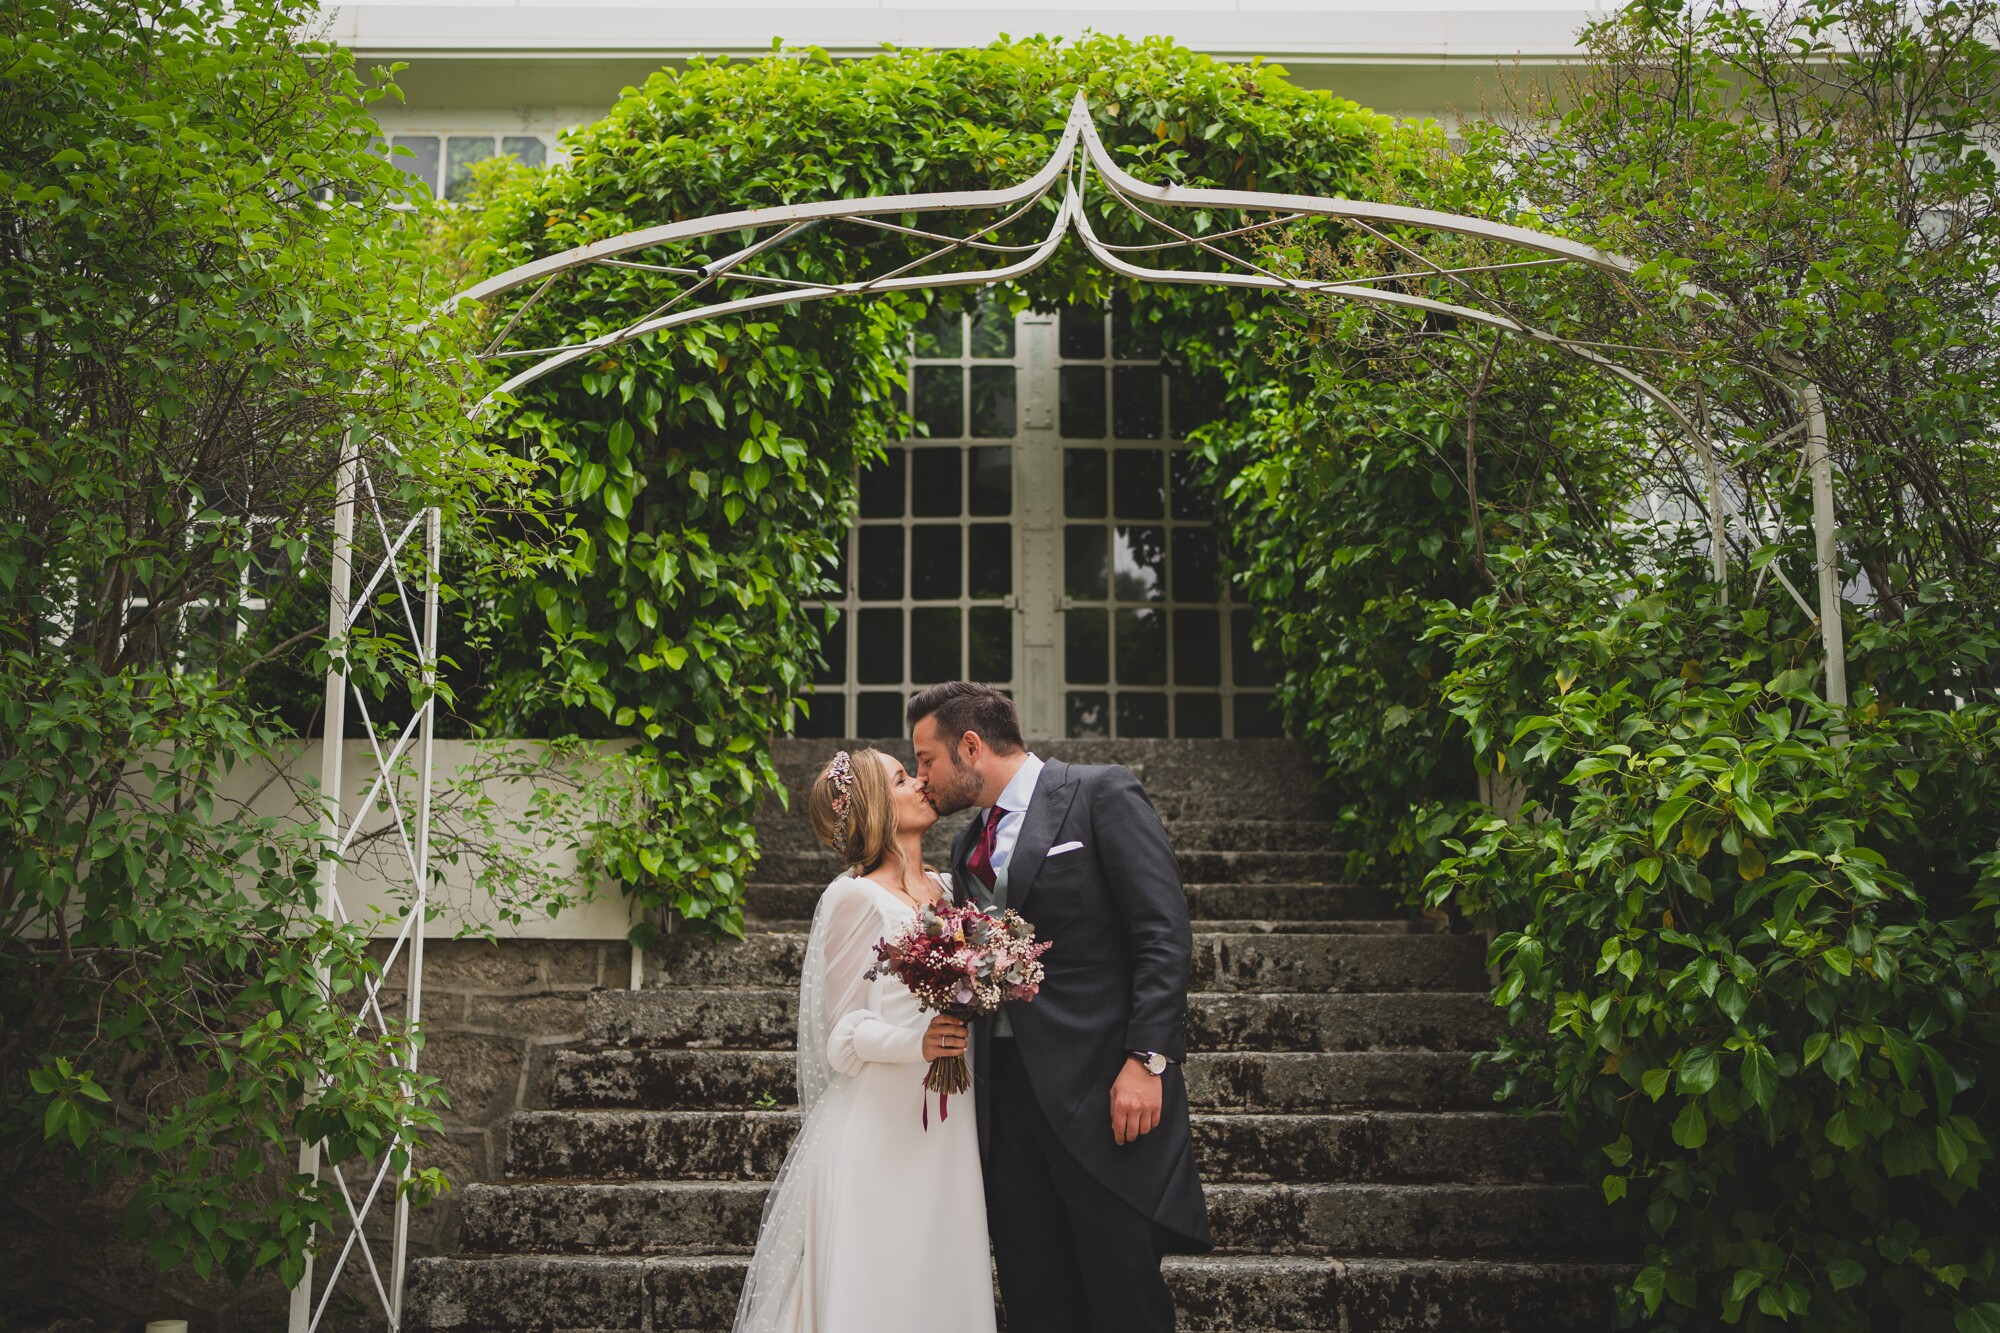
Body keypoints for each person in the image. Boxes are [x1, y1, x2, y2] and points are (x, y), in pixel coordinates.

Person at [908, 681, 1211, 1333]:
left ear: (971, 745)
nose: (919, 776)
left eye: (926, 759)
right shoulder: (965, 849)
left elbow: (1162, 929)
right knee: (1034, 1294)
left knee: (1121, 1292)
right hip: (1004, 1102)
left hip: (1103, 1091)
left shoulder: (1100, 793)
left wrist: (1147, 1059)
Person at [730, 747, 995, 1333]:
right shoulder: (855, 897)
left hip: (949, 1125)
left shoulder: (954, 891)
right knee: (882, 1289)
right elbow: (843, 1037)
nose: (921, 782)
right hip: (885, 1127)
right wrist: (918, 1043)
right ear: (878, 804)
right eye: (902, 778)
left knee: (942, 1282)